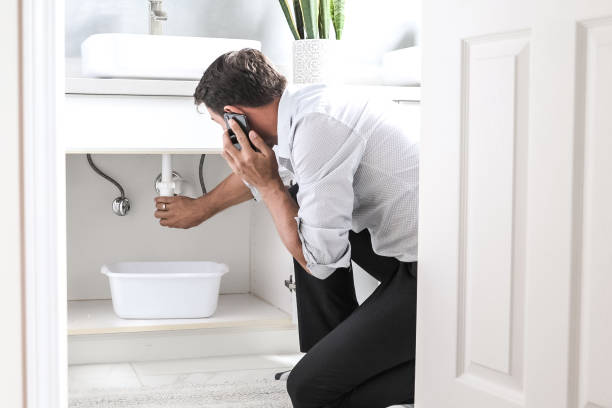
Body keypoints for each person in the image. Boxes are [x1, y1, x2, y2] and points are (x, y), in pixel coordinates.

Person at [154, 48, 419, 408]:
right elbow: (282, 170)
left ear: (235, 117)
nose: (224, 133)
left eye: (221, 124)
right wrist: (201, 208)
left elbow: (320, 263)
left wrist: (269, 188)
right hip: (421, 249)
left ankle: (436, 371)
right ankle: (330, 352)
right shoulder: (305, 109)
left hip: (441, 277)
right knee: (299, 201)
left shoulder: (318, 130)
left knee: (310, 391)